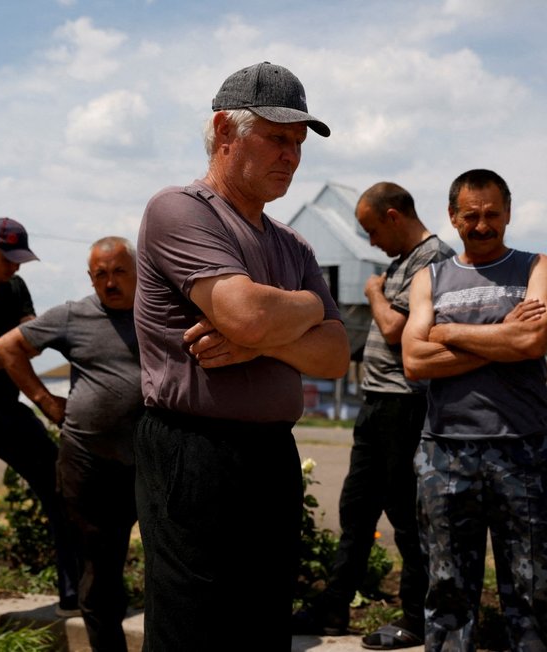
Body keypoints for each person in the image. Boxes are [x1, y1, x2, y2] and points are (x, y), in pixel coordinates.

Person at [133, 61, 350, 651]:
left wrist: (262, 333)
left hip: (270, 455)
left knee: (260, 624)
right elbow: (248, 313)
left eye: (298, 143)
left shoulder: (292, 243)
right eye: (277, 137)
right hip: (192, 452)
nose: (292, 155)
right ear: (225, 131)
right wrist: (299, 312)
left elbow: (334, 357)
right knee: (193, 629)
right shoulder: (180, 210)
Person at [402, 169, 547, 651]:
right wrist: (504, 338)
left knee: (535, 591)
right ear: (452, 217)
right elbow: (414, 360)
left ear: (508, 213)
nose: (481, 225)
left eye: (492, 214)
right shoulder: (428, 277)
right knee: (448, 593)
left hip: (522, 450)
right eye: (470, 215)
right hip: (444, 455)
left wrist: (446, 332)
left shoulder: (539, 266)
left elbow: (533, 338)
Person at [293, 182, 455, 649]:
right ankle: (334, 606)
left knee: (407, 516)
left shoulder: (433, 258)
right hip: (376, 404)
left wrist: (373, 293)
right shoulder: (401, 263)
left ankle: (416, 618)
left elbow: (395, 326)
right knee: (356, 510)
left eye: (370, 230)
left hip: (407, 405)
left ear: (393, 216)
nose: (369, 242)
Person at [0, 236, 142, 651]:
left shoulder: (158, 311)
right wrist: (44, 401)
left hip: (151, 462)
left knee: (172, 563)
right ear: (91, 279)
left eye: (119, 272)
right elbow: (9, 348)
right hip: (88, 462)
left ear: (137, 271)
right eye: (101, 275)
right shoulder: (74, 315)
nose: (110, 282)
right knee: (99, 568)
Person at [0, 217, 79, 614]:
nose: (16, 268)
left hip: (9, 409)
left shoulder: (16, 286)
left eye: (20, 260)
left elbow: (34, 346)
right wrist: (10, 349)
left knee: (61, 489)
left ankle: (73, 591)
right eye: (9, 260)